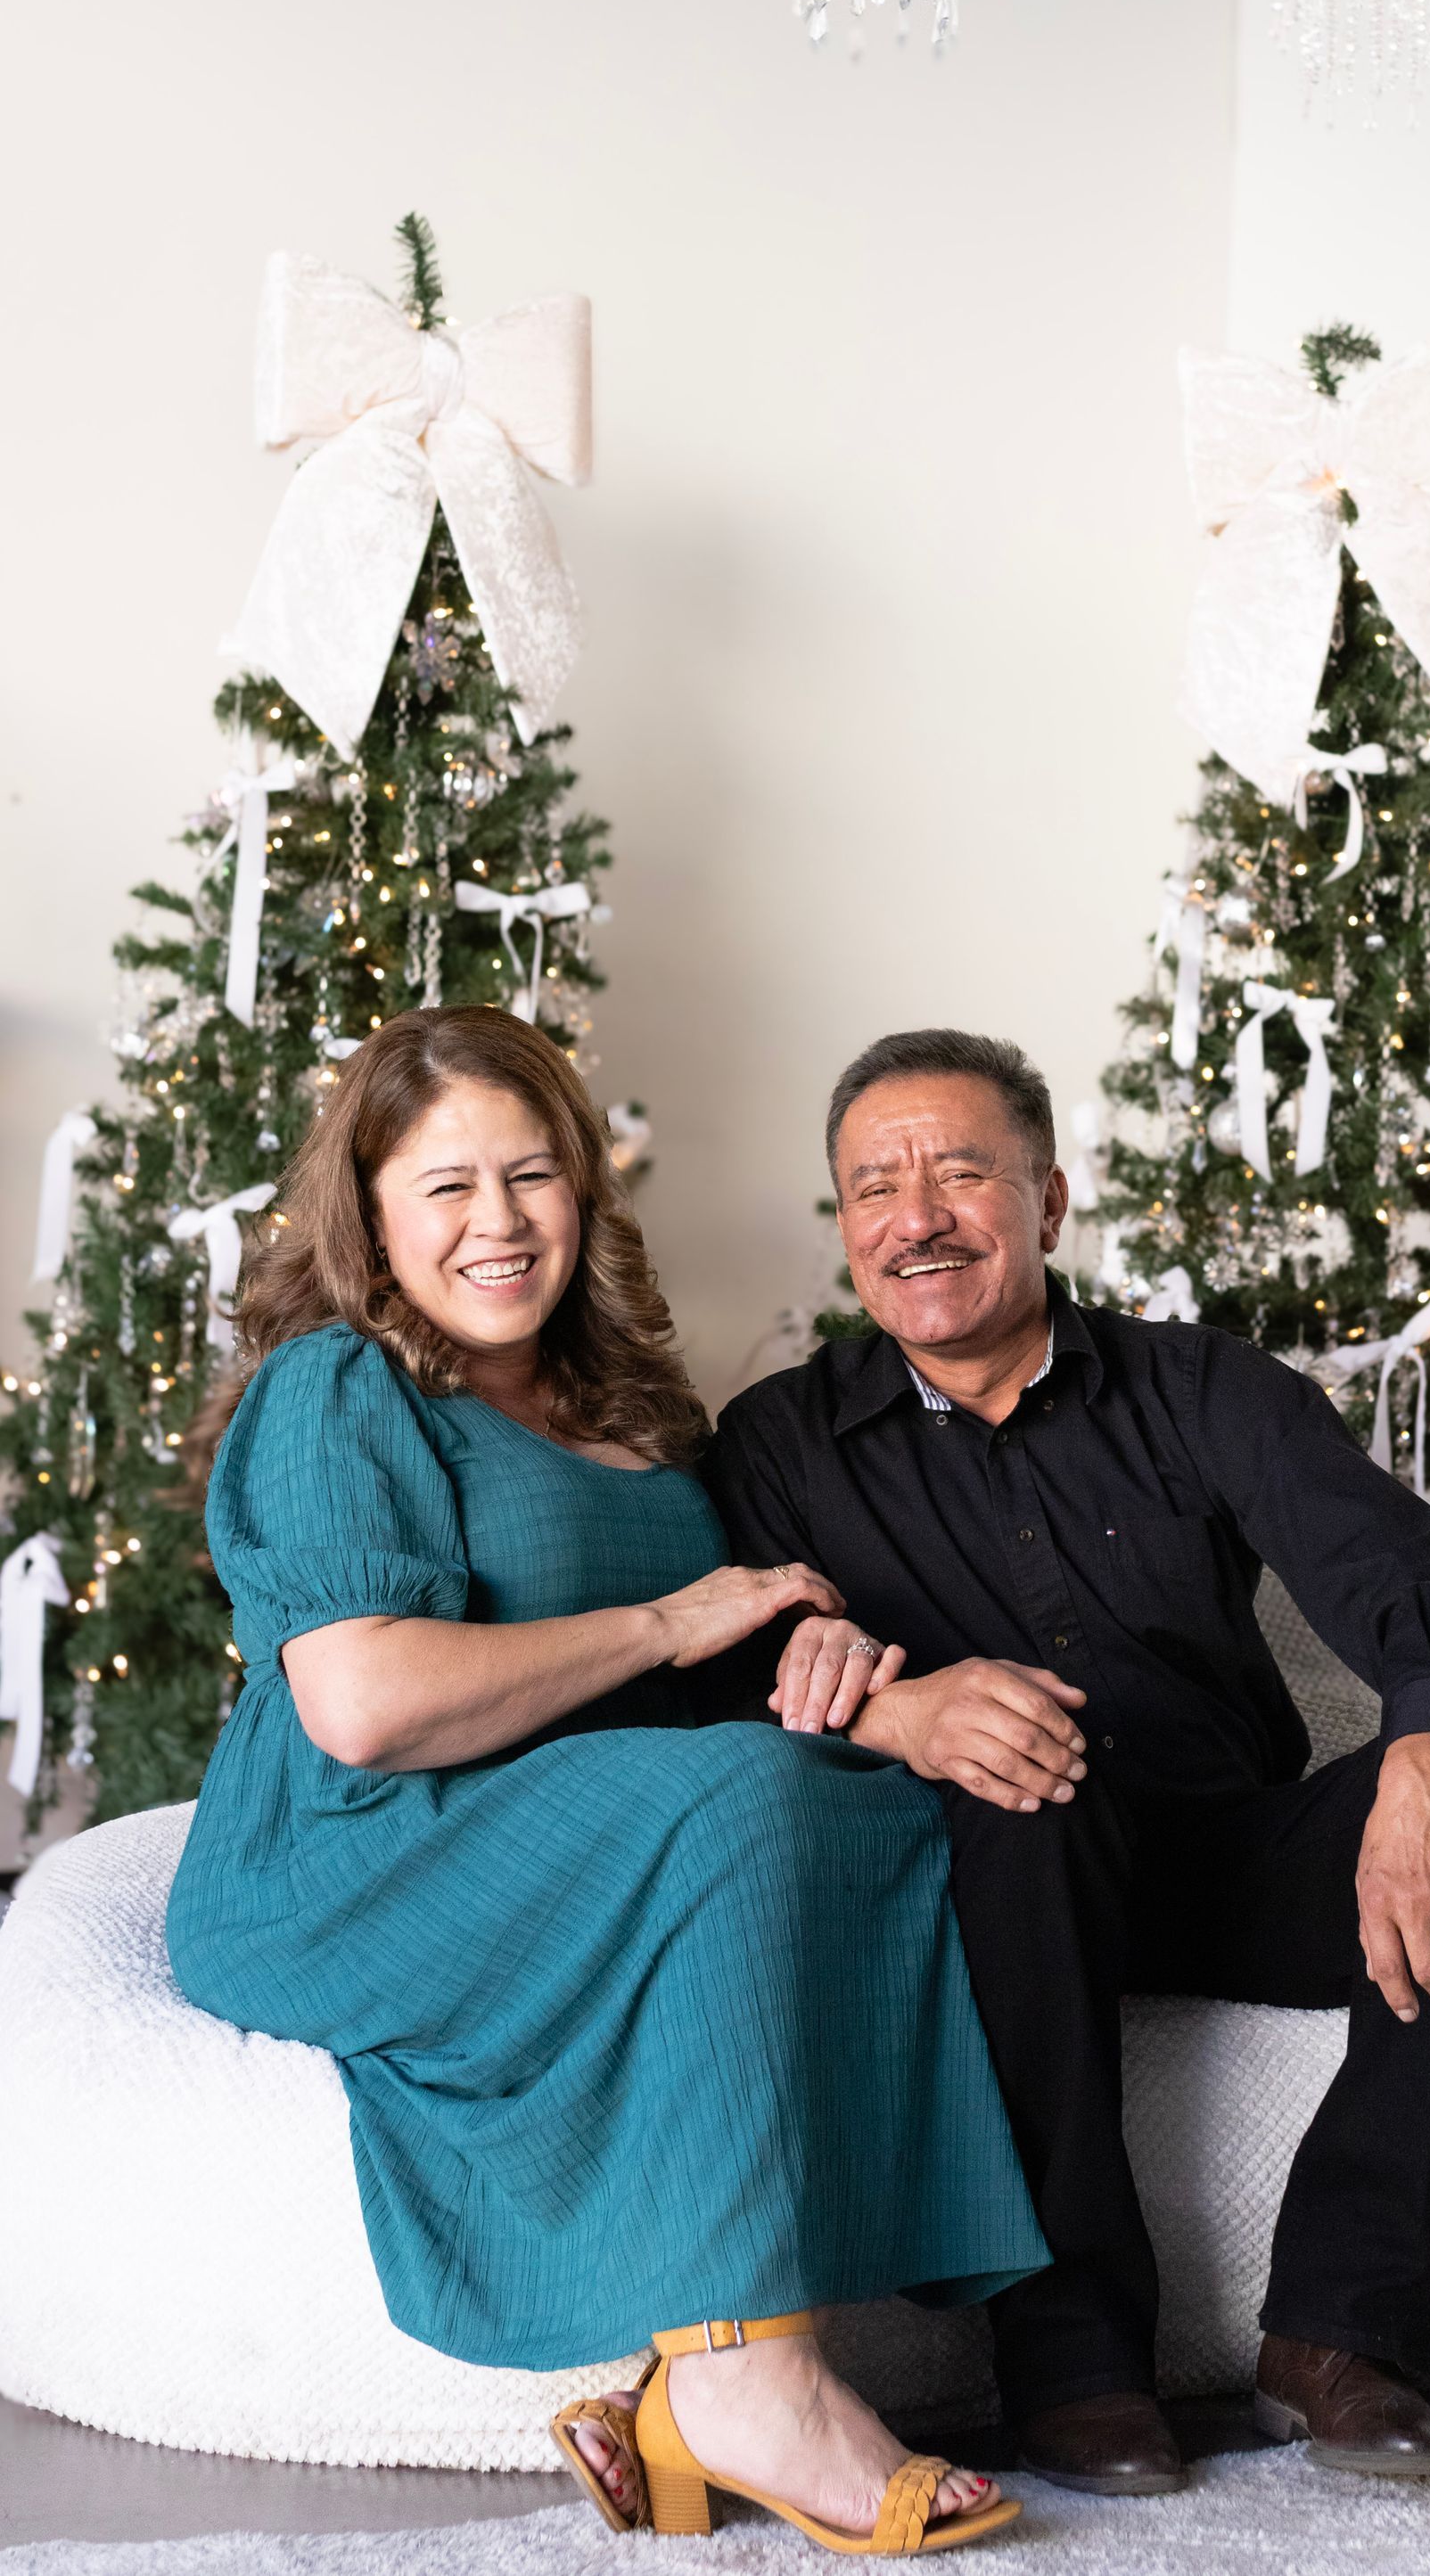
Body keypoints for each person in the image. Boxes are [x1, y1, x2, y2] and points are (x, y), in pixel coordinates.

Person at [166, 1006, 1048, 2557]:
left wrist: (841, 1675)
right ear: (368, 1213)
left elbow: (722, 1663)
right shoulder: (339, 1388)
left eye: (533, 1177)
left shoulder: (626, 1406)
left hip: (573, 1823)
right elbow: (367, 1708)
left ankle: (686, 2391)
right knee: (740, 1803)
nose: (499, 1225)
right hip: (356, 1853)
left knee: (864, 1801)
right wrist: (662, 1623)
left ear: (584, 1190)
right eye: (445, 1188)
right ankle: (752, 2379)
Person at [703, 1027, 1430, 2497]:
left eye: (962, 1173)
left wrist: (1422, 1765)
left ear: (1049, 1203)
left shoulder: (1205, 1387)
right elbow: (732, 1666)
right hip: (1006, 1888)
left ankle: (1341, 2336)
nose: (917, 1217)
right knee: (1021, 1780)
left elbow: (1404, 1578)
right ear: (848, 1228)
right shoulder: (782, 1441)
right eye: (875, 1189)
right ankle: (1075, 2366)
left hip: (1233, 1862)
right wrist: (900, 1716)